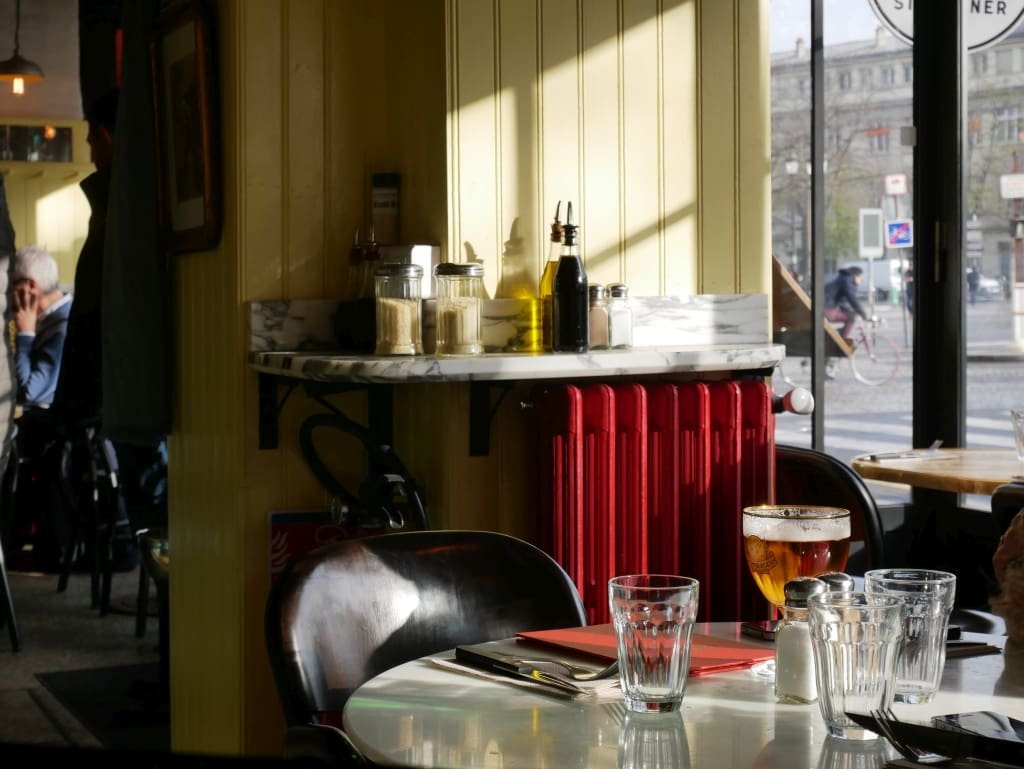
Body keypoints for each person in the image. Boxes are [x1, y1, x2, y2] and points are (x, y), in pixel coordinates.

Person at [11, 245, 72, 409]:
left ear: (30, 286)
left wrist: (25, 335)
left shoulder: (62, 326)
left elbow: (29, 393)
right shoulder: (52, 318)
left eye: (11, 288)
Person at [824, 265, 870, 343]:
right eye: (860, 277)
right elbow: (852, 299)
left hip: (824, 308)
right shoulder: (848, 281)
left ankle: (838, 336)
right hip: (826, 310)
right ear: (855, 276)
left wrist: (855, 312)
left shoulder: (843, 280)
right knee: (851, 317)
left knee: (850, 315)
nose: (861, 280)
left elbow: (842, 302)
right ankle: (841, 342)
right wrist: (864, 315)